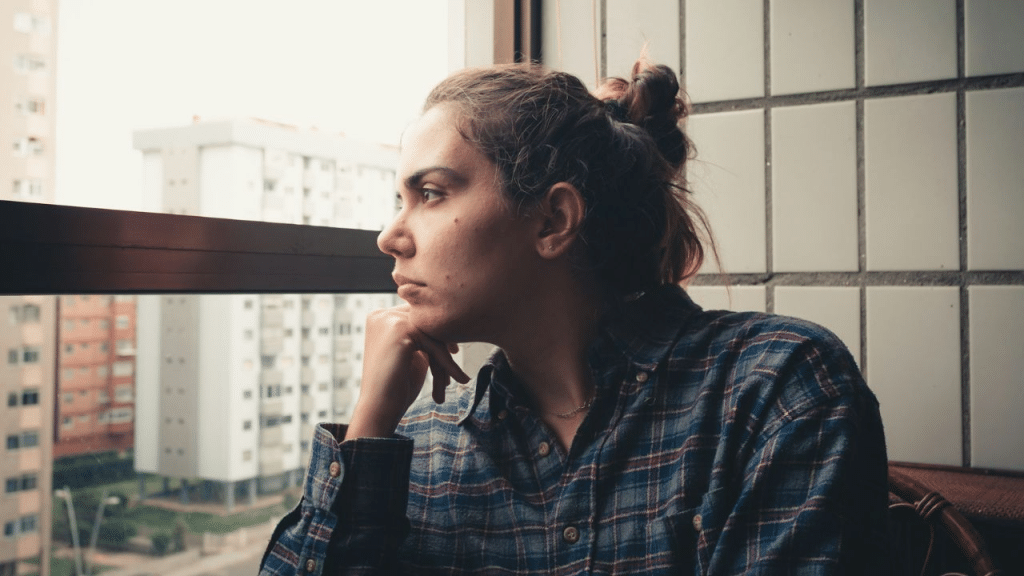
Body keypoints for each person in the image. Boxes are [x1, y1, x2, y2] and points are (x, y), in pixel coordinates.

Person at [259, 61, 889, 575]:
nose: (390, 237)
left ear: (553, 220)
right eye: (400, 200)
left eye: (430, 193)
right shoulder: (421, 446)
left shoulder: (772, 390)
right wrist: (368, 429)